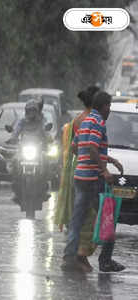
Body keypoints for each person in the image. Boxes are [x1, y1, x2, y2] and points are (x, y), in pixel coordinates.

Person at [61, 91, 125, 272]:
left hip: (80, 177)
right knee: (108, 217)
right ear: (104, 106)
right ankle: (105, 261)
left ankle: (69, 257)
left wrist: (109, 160)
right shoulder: (98, 122)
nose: (110, 110)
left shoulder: (86, 121)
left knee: (77, 219)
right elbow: (91, 147)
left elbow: (76, 147)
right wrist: (104, 170)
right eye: (109, 107)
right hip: (92, 179)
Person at [55, 86, 99, 272]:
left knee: (78, 213)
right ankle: (78, 255)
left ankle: (74, 256)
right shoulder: (91, 120)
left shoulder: (78, 119)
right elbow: (90, 147)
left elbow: (73, 147)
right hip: (85, 171)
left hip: (75, 168)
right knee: (86, 215)